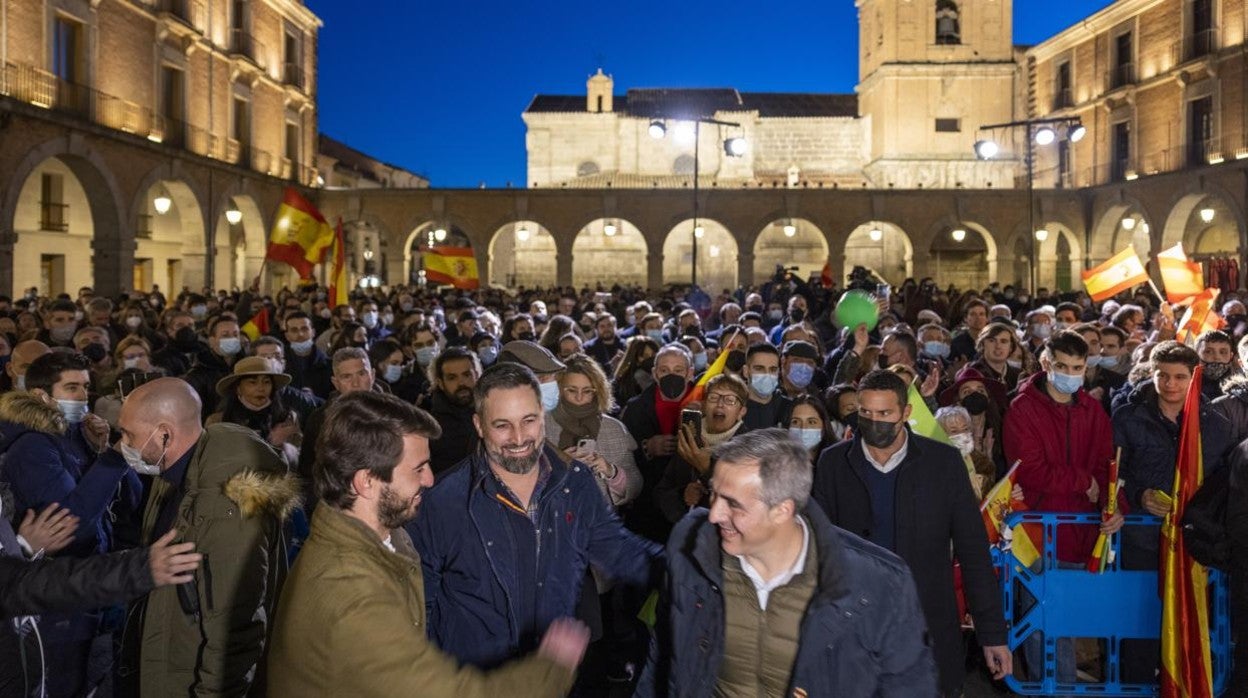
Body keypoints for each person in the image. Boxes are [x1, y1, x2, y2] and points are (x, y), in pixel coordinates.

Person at [267, 391, 587, 695]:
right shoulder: (351, 592)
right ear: (366, 481)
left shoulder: (380, 536)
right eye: (418, 469)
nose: (430, 479)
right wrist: (552, 668)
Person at [636, 428, 937, 697]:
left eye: (733, 504)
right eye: (714, 495)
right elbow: (663, 654)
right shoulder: (693, 547)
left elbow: (910, 686)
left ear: (782, 510)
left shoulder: (879, 584)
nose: (714, 514)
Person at [409, 362, 663, 671]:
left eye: (528, 420)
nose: (519, 438)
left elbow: (615, 548)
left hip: (553, 672)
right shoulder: (442, 502)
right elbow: (423, 606)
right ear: (478, 425)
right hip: (479, 678)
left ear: (542, 416)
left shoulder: (575, 480)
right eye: (502, 425)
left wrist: (686, 571)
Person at [812, 369, 1010, 696]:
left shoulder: (942, 462)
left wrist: (992, 634)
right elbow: (818, 547)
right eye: (866, 413)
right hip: (854, 627)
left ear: (905, 413)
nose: (874, 422)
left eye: (885, 414)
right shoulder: (833, 464)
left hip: (927, 625)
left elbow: (973, 550)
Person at [117, 377, 299, 697]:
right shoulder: (178, 473)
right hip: (171, 654)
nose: (123, 444)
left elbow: (234, 624)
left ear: (165, 434)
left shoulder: (225, 504)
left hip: (191, 677)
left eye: (128, 434)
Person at [547, 354, 642, 508]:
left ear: (597, 391)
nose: (579, 398)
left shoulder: (613, 429)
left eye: (587, 391)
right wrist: (559, 466)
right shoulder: (540, 425)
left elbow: (636, 484)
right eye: (572, 390)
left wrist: (611, 471)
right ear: (559, 389)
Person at [655, 373, 750, 525]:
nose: (720, 404)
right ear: (704, 405)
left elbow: (745, 502)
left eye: (730, 400)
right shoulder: (690, 436)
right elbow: (662, 491)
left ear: (741, 412)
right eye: (713, 397)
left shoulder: (749, 449)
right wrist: (682, 495)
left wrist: (706, 470)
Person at [208, 355, 300, 464]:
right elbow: (211, 462)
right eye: (252, 382)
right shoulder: (218, 421)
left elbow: (301, 462)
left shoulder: (287, 419)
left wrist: (285, 448)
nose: (261, 388)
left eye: (266, 382)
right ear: (238, 388)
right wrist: (270, 444)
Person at [425, 346, 483, 475]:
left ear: (477, 376)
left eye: (467, 375)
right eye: (452, 378)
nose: (461, 383)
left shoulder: (491, 411)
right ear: (440, 383)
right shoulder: (431, 428)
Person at [184, 314, 244, 419]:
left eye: (235, 334)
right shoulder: (197, 375)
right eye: (225, 335)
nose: (232, 338)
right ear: (212, 341)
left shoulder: (247, 367)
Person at [741, 343, 791, 430]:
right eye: (759, 368)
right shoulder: (734, 409)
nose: (767, 375)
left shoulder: (789, 408)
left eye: (773, 369)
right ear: (746, 371)